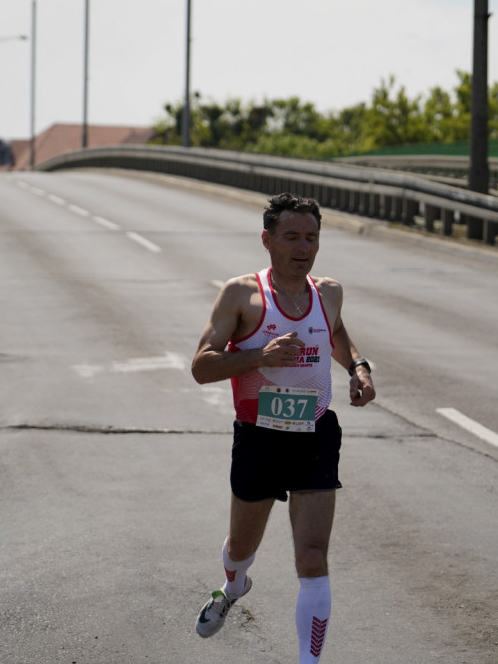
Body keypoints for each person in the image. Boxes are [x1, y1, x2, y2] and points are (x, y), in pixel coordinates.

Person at [191, 192, 376, 663]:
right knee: (240, 548)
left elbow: (334, 332)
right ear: (267, 240)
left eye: (311, 237)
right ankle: (233, 586)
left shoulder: (328, 292)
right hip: (259, 438)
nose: (303, 246)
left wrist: (358, 367)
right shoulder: (241, 294)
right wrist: (260, 356)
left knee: (312, 557)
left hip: (315, 433)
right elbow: (201, 366)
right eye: (291, 236)